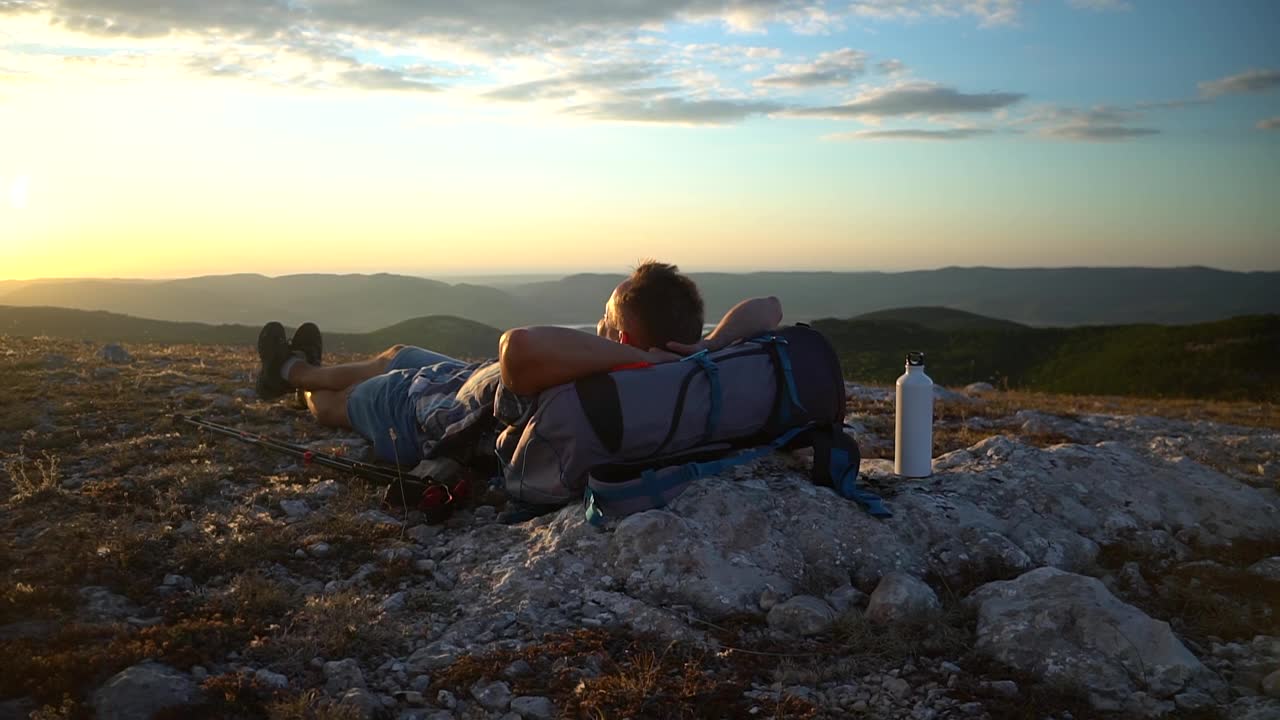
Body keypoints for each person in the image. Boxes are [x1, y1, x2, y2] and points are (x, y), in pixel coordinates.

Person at [254, 261, 783, 468]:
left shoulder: (612, 374)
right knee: (397, 354)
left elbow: (517, 348)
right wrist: (710, 345)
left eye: (603, 317)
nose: (597, 327)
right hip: (463, 382)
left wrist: (635, 357)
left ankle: (292, 375)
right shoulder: (684, 366)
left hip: (432, 413)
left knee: (339, 406)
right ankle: (299, 366)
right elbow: (770, 307)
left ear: (622, 336)